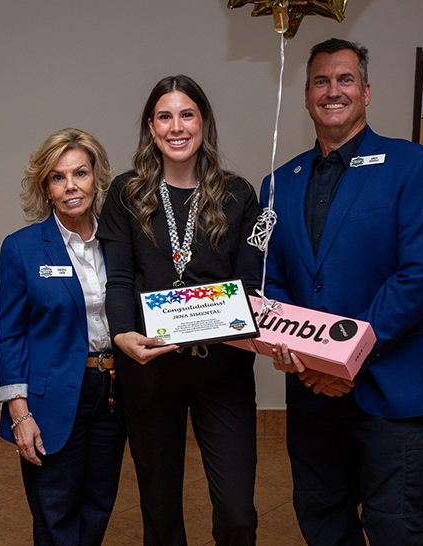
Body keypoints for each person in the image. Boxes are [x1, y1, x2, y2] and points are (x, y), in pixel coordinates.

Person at [262, 38, 423, 545]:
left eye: (344, 79)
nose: (333, 91)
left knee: (397, 528)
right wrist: (311, 362)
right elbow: (273, 280)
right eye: (321, 82)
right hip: (311, 399)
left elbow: (419, 276)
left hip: (388, 391)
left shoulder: (414, 167)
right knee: (322, 523)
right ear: (306, 96)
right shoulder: (278, 185)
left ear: (366, 91)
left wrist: (346, 361)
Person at [97, 75, 261, 546]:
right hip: (151, 367)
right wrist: (123, 334)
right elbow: (121, 278)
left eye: (187, 114)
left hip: (224, 367)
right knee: (160, 510)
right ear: (151, 126)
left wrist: (252, 320)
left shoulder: (238, 193)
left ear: (203, 122)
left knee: (237, 515)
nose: (176, 126)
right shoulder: (127, 192)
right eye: (164, 116)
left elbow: (249, 283)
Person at [0, 128, 124, 545]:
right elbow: (10, 335)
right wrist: (19, 411)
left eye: (80, 173)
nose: (71, 186)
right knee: (55, 510)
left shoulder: (121, 243)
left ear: (96, 178)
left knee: (98, 503)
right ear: (45, 187)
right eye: (58, 177)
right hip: (51, 398)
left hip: (113, 391)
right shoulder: (23, 248)